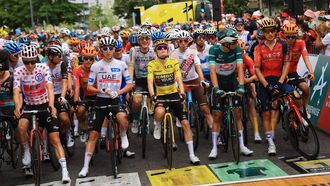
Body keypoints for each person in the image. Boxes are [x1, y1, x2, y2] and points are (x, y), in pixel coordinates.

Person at [13, 45, 70, 183]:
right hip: (29, 104)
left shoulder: (43, 68)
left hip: (45, 104)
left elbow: (50, 88)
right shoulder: (18, 71)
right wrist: (18, 107)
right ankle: (27, 150)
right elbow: (16, 91)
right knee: (20, 127)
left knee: (55, 139)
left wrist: (51, 105)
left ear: (36, 60)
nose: (30, 65)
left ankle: (65, 170)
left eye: (33, 61)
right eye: (27, 62)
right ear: (23, 61)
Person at [78, 37, 133, 177]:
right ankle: (85, 167)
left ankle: (122, 134)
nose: (108, 51)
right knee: (94, 135)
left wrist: (118, 92)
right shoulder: (96, 66)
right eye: (105, 49)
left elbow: (129, 84)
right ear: (101, 50)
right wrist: (101, 90)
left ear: (114, 49)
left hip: (115, 99)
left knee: (123, 118)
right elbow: (89, 86)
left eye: (111, 48)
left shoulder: (121, 64)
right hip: (101, 101)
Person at [147, 33, 200, 164]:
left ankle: (192, 155)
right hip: (160, 95)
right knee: (159, 113)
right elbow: (150, 81)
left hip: (174, 94)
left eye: (165, 47)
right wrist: (152, 95)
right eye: (159, 48)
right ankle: (158, 124)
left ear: (168, 49)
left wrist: (182, 93)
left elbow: (178, 79)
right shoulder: (152, 64)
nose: (163, 49)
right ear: (156, 52)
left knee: (186, 123)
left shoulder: (174, 62)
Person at [208, 28, 253, 160]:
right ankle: (214, 148)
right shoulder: (214, 50)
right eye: (234, 41)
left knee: (238, 113)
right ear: (225, 43)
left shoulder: (237, 49)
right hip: (219, 81)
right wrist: (216, 88)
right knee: (217, 116)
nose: (236, 43)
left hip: (232, 81)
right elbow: (212, 71)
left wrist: (241, 86)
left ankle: (242, 146)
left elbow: (239, 68)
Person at [254, 18, 292, 155]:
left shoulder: (283, 44)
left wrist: (281, 82)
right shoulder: (258, 47)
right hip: (265, 81)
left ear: (276, 32)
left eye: (272, 31)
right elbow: (257, 69)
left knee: (296, 96)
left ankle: (297, 121)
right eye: (267, 31)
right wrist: (267, 86)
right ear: (263, 33)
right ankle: (270, 143)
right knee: (266, 113)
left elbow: (287, 63)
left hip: (279, 78)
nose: (270, 34)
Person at [170, 30, 213, 139]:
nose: (183, 43)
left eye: (185, 41)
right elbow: (172, 71)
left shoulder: (193, 52)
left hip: (195, 80)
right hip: (182, 83)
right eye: (181, 41)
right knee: (183, 109)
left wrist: (202, 80)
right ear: (177, 42)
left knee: (205, 109)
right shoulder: (173, 54)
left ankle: (217, 135)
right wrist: (175, 83)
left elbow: (198, 67)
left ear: (188, 41)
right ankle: (184, 127)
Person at [128, 28, 156, 134]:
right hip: (139, 80)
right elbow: (131, 66)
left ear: (149, 40)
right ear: (138, 40)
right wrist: (130, 82)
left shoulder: (153, 51)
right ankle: (135, 119)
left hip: (151, 80)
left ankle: (160, 123)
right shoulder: (134, 51)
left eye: (147, 38)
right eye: (142, 39)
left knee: (159, 101)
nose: (144, 41)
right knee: (136, 101)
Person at [283, 23, 314, 109]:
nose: (290, 39)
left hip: (293, 73)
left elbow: (306, 59)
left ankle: (304, 110)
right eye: (288, 37)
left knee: (306, 88)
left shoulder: (301, 43)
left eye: (293, 37)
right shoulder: (281, 44)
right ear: (284, 36)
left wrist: (311, 72)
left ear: (296, 35)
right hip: (281, 73)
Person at [73, 45, 98, 143]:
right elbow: (77, 87)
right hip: (85, 96)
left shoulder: (98, 67)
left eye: (91, 59)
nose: (88, 61)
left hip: (98, 95)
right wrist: (75, 101)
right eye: (86, 58)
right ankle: (83, 130)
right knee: (79, 111)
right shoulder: (77, 70)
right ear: (82, 58)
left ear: (94, 59)